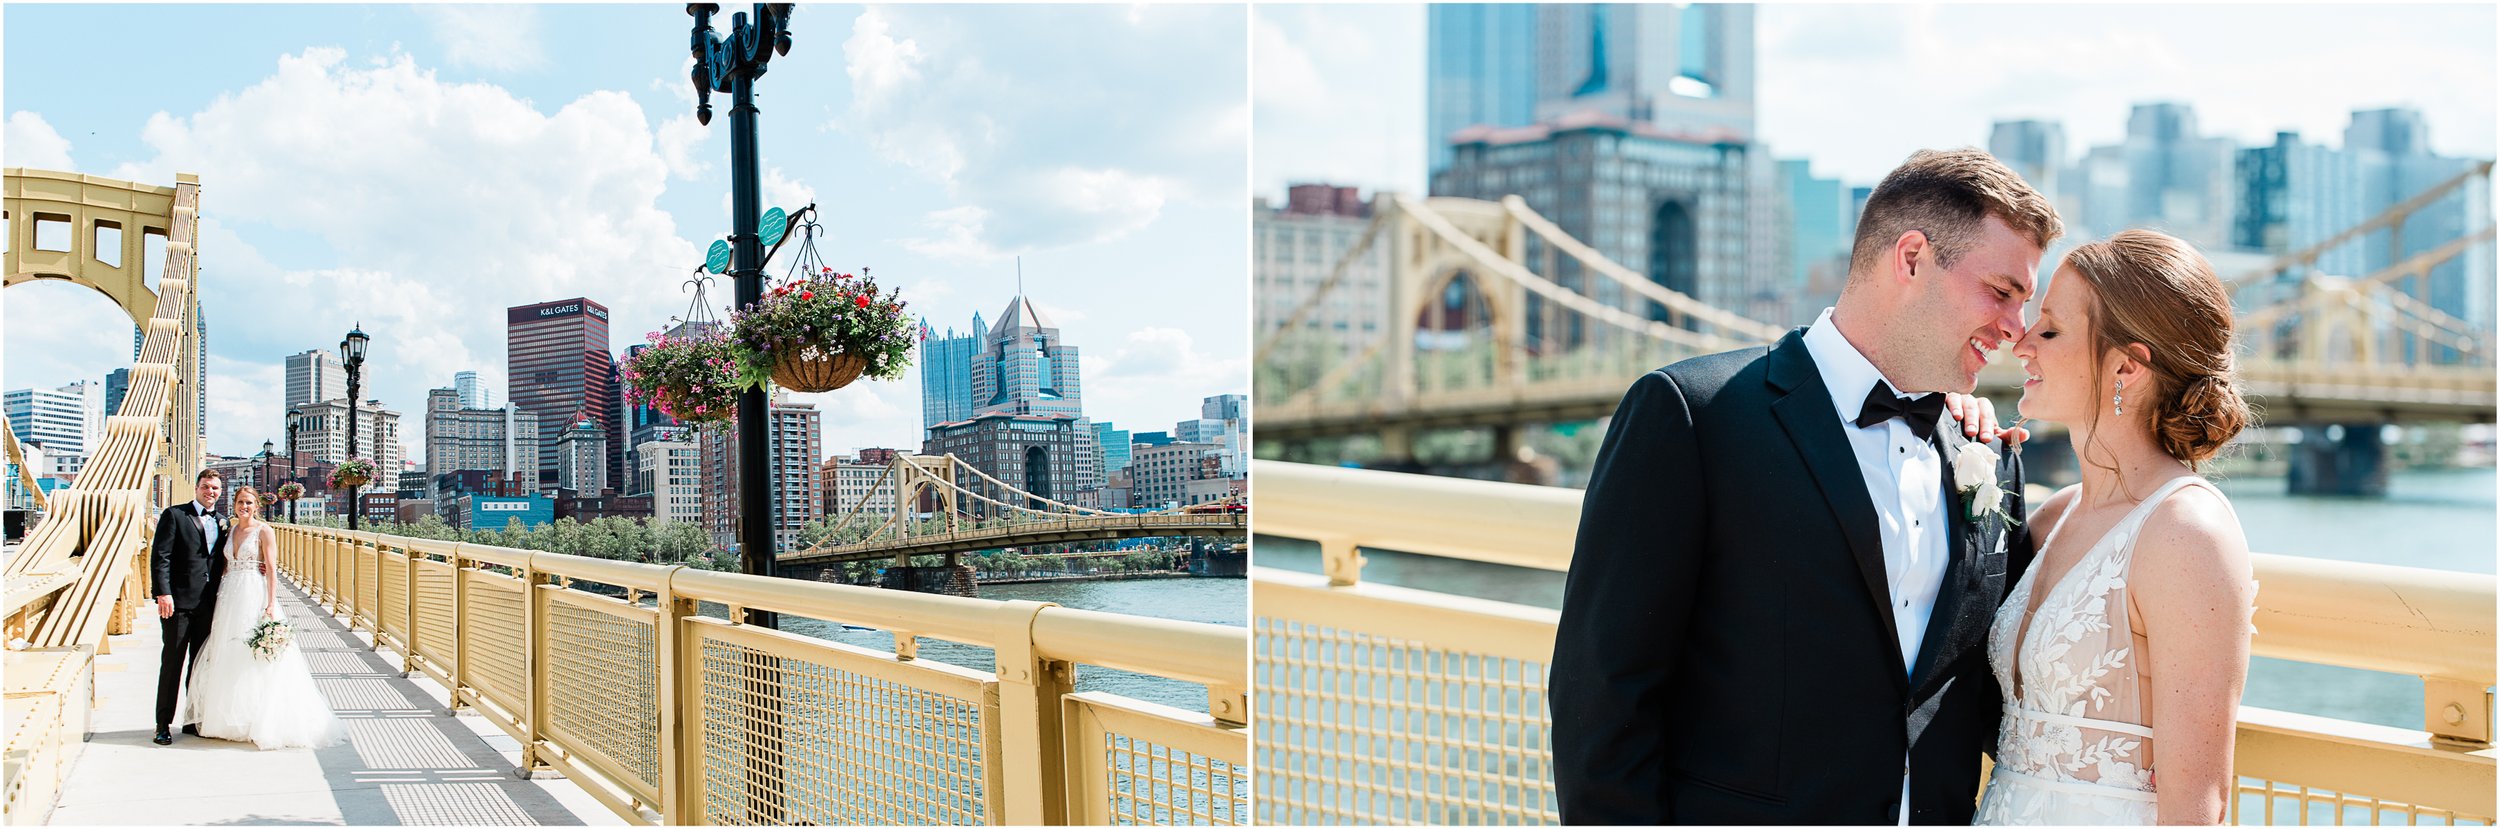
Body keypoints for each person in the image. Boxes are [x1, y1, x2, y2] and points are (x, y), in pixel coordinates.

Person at [1551, 147, 2060, 824]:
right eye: (2001, 291)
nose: (2015, 328)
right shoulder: (1693, 416)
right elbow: (1604, 696)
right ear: (1910, 258)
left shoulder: (1989, 456)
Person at [1975, 229, 2256, 825]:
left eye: (2049, 330)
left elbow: (2196, 803)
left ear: (2125, 366)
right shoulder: (2054, 517)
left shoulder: (2186, 532)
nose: (2022, 343)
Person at [184, 486, 345, 750]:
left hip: (252, 592)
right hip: (228, 595)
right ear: (234, 504)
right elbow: (222, 565)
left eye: (248, 502)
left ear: (257, 505)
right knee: (228, 652)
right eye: (239, 502)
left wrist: (270, 604)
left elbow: (271, 568)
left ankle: (259, 719)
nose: (243, 507)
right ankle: (229, 718)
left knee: (254, 654)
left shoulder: (264, 531)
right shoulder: (230, 530)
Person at [151, 469, 233, 746]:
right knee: (172, 665)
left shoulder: (223, 522)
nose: (211, 492)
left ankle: (192, 720)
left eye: (216, 489)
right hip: (178, 604)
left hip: (208, 604)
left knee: (199, 668)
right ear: (197, 488)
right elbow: (160, 557)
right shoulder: (174, 515)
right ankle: (162, 725)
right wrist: (163, 593)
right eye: (207, 487)